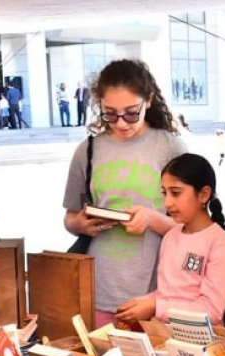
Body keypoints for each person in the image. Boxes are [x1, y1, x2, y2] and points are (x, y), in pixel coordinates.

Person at [62, 59, 186, 328]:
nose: (121, 123)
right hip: (98, 289)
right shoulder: (88, 150)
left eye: (131, 113)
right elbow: (70, 218)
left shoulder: (171, 148)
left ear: (149, 100)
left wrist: (152, 219)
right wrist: (81, 224)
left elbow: (193, 228)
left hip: (155, 292)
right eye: (110, 113)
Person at [115, 153, 225, 326]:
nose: (167, 203)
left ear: (204, 194)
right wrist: (138, 306)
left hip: (199, 345)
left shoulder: (222, 245)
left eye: (175, 193)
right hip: (162, 338)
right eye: (164, 193)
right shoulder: (171, 236)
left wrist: (155, 307)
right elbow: (167, 294)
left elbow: (211, 311)